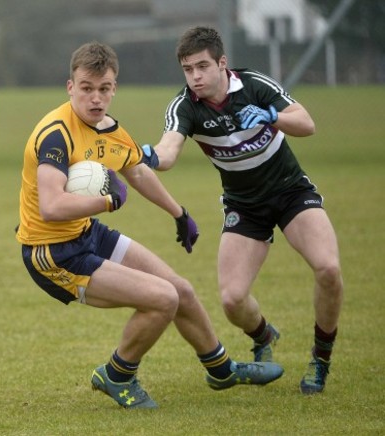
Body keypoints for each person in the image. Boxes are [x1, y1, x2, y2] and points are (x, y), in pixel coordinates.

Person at [16, 41, 284, 410]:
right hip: (53, 253)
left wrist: (178, 213)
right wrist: (106, 201)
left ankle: (220, 368)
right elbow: (51, 206)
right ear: (70, 87)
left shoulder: (109, 128)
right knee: (162, 300)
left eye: (104, 88)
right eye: (87, 88)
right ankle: (117, 374)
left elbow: (137, 171)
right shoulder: (55, 135)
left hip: (86, 233)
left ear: (114, 88)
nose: (96, 98)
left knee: (182, 290)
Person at [142, 26, 343, 395]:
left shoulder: (253, 85)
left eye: (202, 67)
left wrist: (271, 115)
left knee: (328, 269)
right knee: (233, 300)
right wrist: (149, 155)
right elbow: (169, 150)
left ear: (222, 63)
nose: (195, 77)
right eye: (188, 69)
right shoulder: (185, 105)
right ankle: (263, 334)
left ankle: (321, 358)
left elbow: (307, 124)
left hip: (291, 194)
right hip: (244, 206)